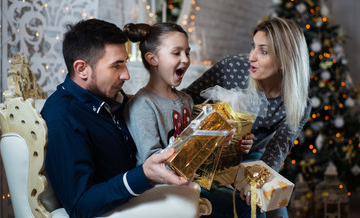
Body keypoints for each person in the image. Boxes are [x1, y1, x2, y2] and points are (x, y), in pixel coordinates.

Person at [41, 19, 192, 218]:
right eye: (116, 66)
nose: (126, 75)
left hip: (151, 194)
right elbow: (80, 206)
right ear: (81, 69)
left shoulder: (111, 98)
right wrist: (143, 175)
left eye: (125, 63)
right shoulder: (63, 117)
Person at [183, 17, 312, 218]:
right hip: (211, 156)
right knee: (250, 210)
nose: (252, 56)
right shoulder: (231, 68)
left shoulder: (299, 104)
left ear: (286, 58)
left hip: (253, 159)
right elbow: (185, 101)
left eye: (263, 51)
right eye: (253, 47)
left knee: (277, 211)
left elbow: (277, 149)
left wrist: (257, 184)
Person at [122, 22, 254, 218]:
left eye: (187, 52)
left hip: (193, 182)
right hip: (161, 188)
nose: (185, 59)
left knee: (250, 201)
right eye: (176, 53)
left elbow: (200, 156)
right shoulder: (142, 105)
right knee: (240, 207)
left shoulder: (186, 101)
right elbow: (155, 162)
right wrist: (203, 141)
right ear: (153, 58)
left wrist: (224, 143)